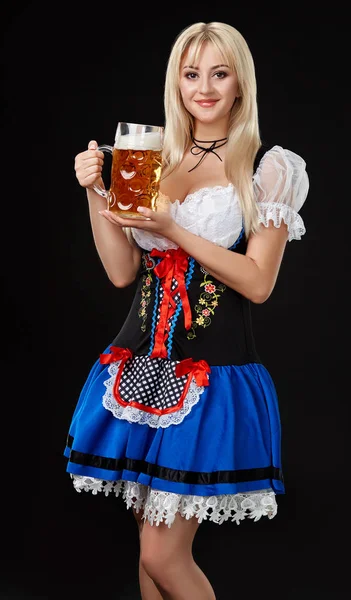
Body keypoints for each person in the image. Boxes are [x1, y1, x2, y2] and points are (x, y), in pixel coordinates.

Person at [64, 21, 310, 600]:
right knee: (149, 561)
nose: (204, 87)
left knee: (162, 552)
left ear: (239, 83)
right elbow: (123, 271)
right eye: (191, 73)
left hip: (212, 375)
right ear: (176, 81)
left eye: (219, 73)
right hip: (138, 370)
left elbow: (257, 283)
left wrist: (173, 227)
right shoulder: (155, 158)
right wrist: (96, 196)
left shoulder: (268, 168)